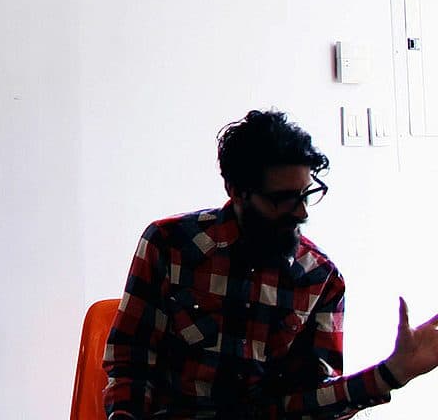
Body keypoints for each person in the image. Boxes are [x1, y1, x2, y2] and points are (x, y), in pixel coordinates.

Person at [103, 108, 438, 419]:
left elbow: (308, 401)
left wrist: (392, 373)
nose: (302, 213)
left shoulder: (319, 276)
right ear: (235, 190)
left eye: (307, 194)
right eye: (283, 199)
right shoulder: (169, 244)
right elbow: (131, 364)